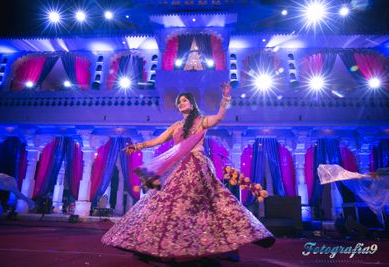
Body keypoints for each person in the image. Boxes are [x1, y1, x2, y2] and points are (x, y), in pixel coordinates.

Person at [101, 82, 275, 261]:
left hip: (198, 166)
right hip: (179, 167)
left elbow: (219, 118)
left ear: (192, 104)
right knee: (169, 204)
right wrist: (137, 146)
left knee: (202, 205)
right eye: (179, 102)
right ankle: (162, 245)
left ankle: (213, 246)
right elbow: (157, 141)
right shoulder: (176, 126)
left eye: (184, 100)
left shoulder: (201, 121)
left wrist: (225, 97)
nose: (181, 103)